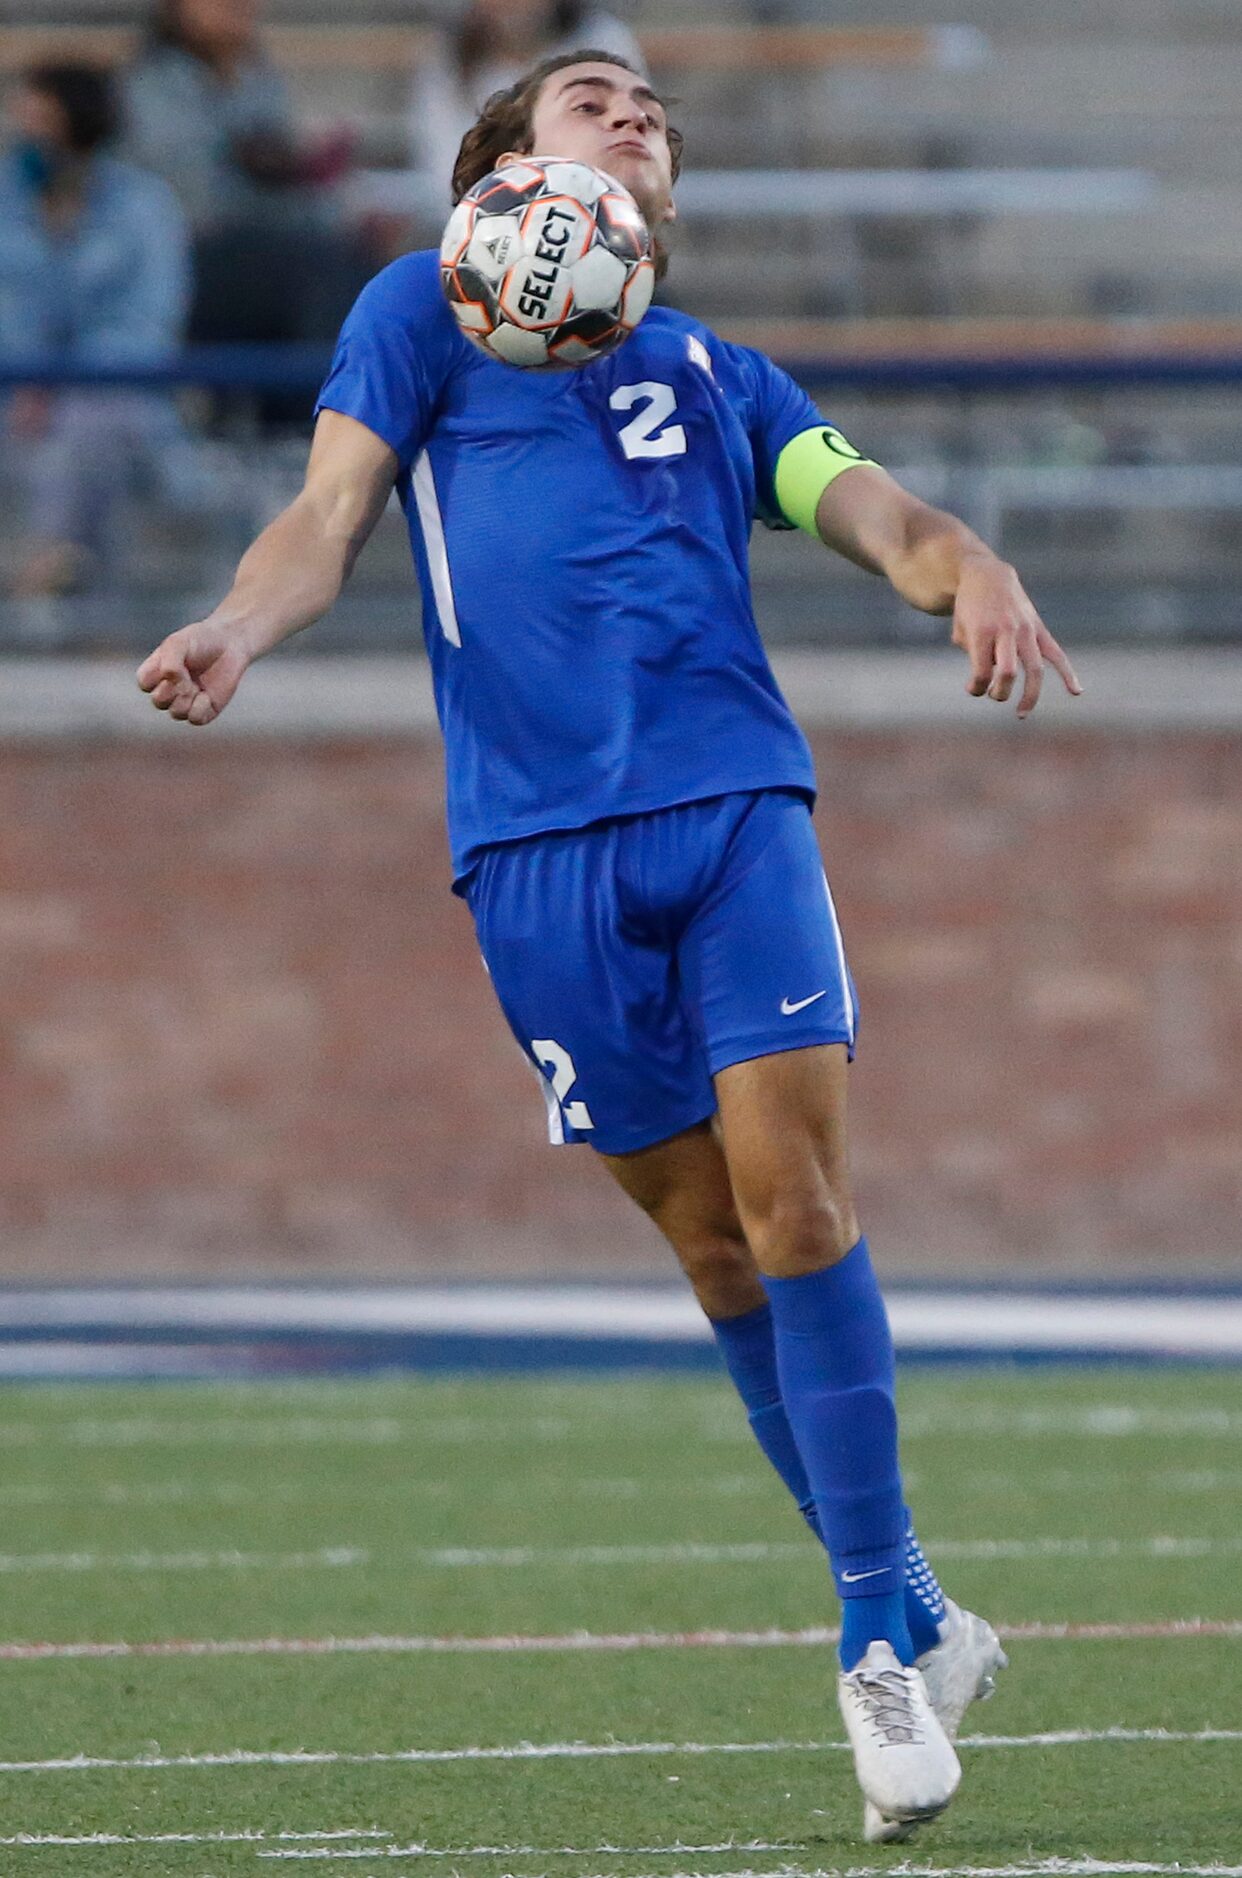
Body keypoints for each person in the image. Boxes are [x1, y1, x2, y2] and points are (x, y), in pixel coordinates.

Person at [137, 50, 1081, 1841]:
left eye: (654, 111)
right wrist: (235, 628)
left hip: (734, 811)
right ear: (495, 175)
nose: (634, 113)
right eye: (591, 100)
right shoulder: (417, 312)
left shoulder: (719, 372)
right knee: (715, 1248)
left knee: (796, 1193)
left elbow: (871, 512)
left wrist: (966, 565)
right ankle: (921, 1600)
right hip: (528, 858)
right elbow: (325, 523)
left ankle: (873, 1632)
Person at [0, 60, 190, 597]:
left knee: (86, 428)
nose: (25, 134)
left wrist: (57, 381)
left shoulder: (145, 207)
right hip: (11, 393)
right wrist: (28, 376)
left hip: (114, 399)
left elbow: (148, 326)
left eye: (40, 121)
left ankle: (48, 576)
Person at [122, 0, 364, 361]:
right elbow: (189, 204)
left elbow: (291, 183)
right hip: (184, 261)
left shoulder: (260, 80)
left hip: (271, 249)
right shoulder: (148, 90)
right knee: (312, 271)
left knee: (360, 262)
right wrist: (255, 167)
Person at [408, 2, 645, 207]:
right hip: (483, 216)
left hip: (595, 208)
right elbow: (444, 157)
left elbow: (629, 136)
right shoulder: (451, 56)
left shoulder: (602, 39)